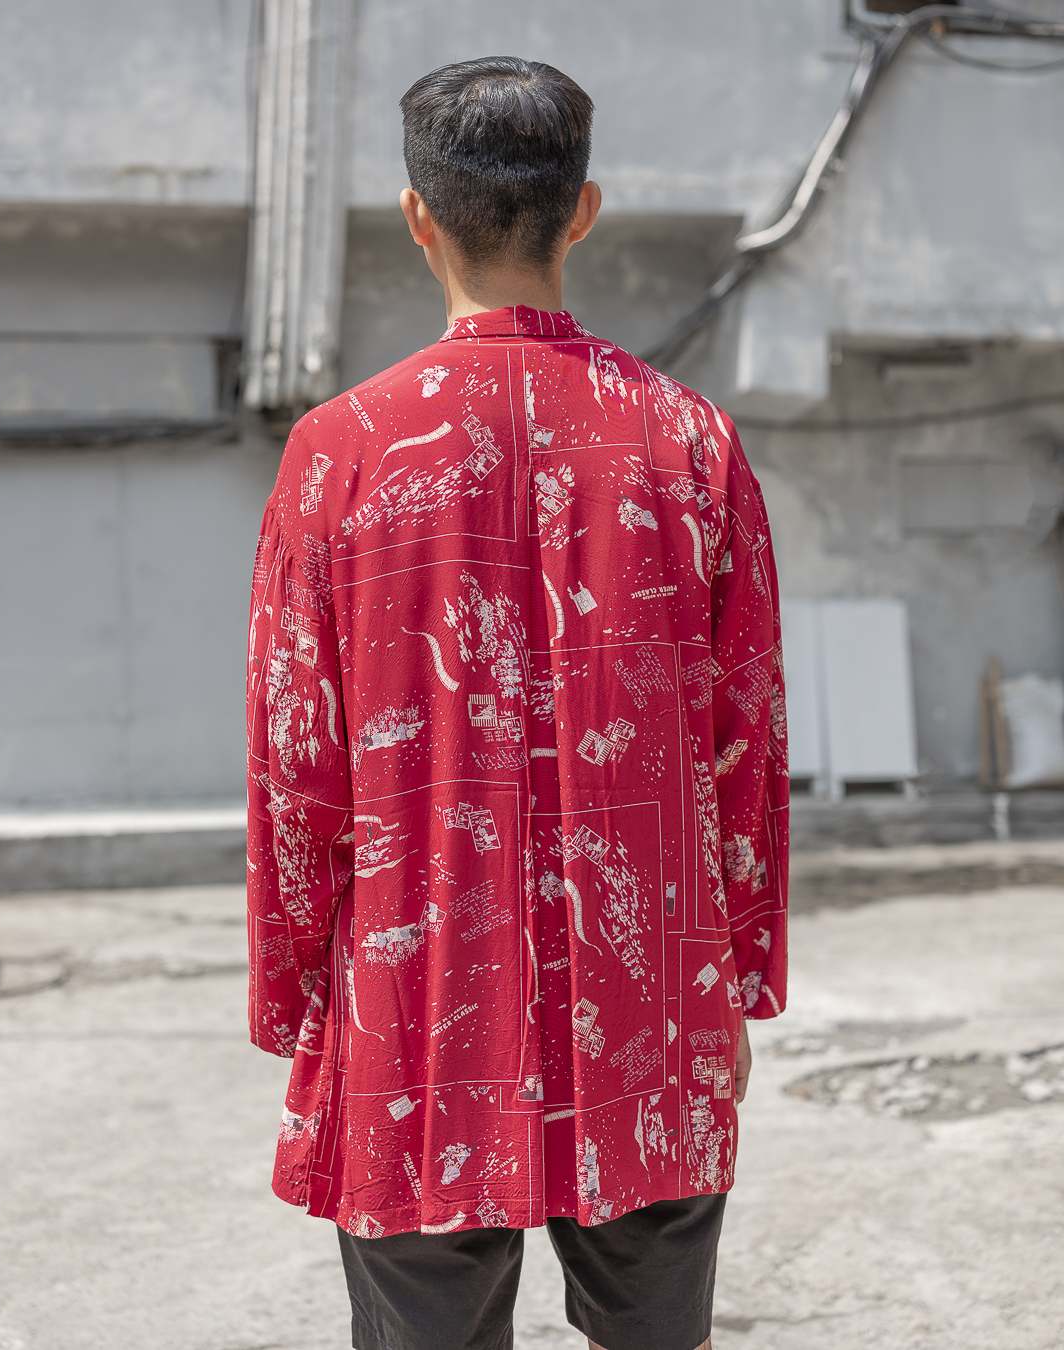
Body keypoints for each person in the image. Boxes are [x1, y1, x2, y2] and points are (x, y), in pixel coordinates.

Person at [246, 56, 788, 1350]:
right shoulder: (692, 443)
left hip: (417, 1006)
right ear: (582, 211)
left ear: (416, 216)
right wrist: (738, 974)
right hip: (651, 989)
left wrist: (295, 990)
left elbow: (294, 758)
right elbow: (748, 741)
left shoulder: (340, 453)